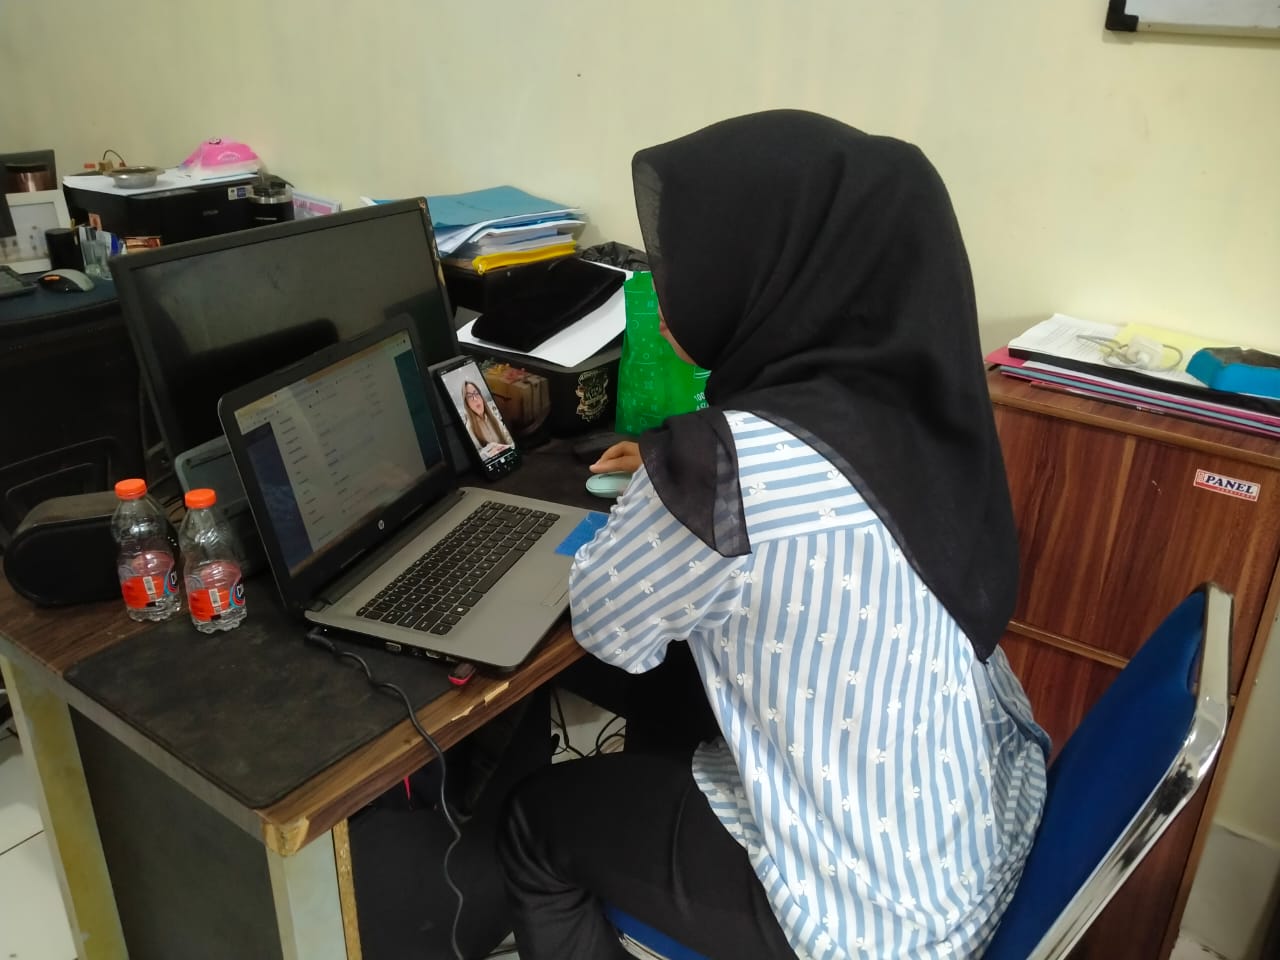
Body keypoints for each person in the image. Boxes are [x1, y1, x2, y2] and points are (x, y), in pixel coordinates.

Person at [497, 110, 1050, 960]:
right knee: (681, 696)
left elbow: (610, 630)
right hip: (977, 836)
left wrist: (669, 483)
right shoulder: (918, 410)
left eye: (689, 256)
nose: (669, 282)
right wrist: (675, 472)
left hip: (870, 918)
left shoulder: (723, 470)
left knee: (535, 822)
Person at [460, 379, 513, 453]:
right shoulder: (470, 428)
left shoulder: (492, 415)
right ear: (467, 404)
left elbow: (507, 436)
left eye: (476, 393)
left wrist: (511, 446)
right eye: (469, 396)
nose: (475, 399)